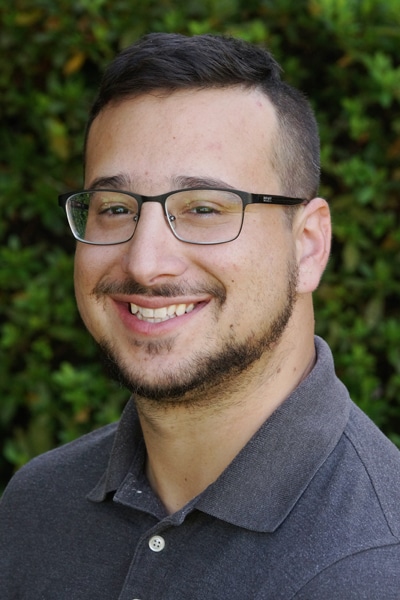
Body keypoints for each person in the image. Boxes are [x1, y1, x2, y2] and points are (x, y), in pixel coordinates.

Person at [1, 32, 400, 599]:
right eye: (116, 209)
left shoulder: (374, 569)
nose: (145, 263)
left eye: (205, 208)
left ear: (308, 244)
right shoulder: (36, 507)